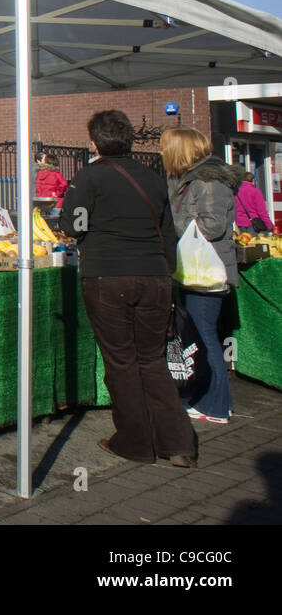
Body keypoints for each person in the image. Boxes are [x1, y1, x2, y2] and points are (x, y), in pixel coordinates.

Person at [61, 110, 196, 467]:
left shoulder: (89, 177)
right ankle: (179, 444)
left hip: (107, 276)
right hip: (154, 277)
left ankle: (135, 442)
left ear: (94, 142)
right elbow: (168, 232)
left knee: (121, 361)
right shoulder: (153, 178)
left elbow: (72, 226)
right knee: (152, 359)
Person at [162, 128, 238, 425]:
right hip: (195, 271)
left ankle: (217, 405)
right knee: (199, 335)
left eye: (167, 148)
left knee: (205, 336)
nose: (163, 153)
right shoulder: (189, 179)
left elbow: (213, 225)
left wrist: (175, 226)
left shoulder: (207, 181)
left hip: (206, 271)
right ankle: (206, 398)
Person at [232, 165, 272, 233]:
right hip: (253, 222)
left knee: (243, 238)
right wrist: (269, 225)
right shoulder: (255, 191)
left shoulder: (236, 191)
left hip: (240, 222)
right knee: (254, 239)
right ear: (252, 180)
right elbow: (261, 211)